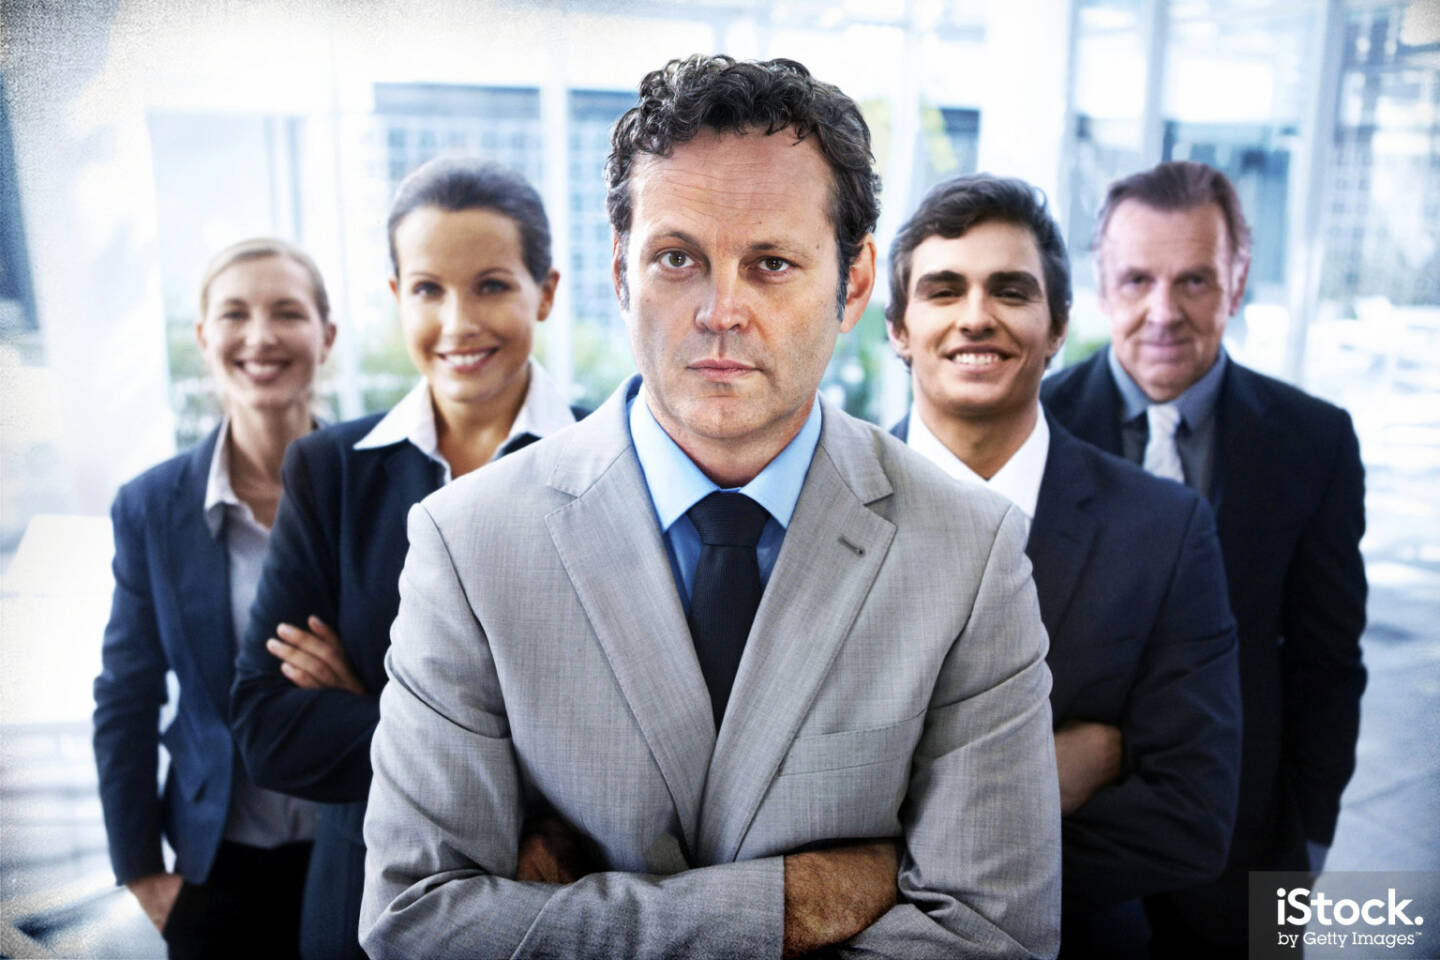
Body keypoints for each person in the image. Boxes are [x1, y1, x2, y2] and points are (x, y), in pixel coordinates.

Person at [360, 55, 1061, 960]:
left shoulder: (970, 553)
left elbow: (991, 934)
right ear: (620, 272)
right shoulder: (470, 544)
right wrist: (792, 904)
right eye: (677, 258)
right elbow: (417, 923)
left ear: (852, 284)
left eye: (771, 263)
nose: (719, 311)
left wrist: (572, 920)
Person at [229, 158, 581, 960]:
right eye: (428, 289)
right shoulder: (332, 471)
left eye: (491, 284)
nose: (458, 322)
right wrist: (520, 772)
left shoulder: (614, 464)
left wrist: (375, 702)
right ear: (396, 298)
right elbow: (270, 726)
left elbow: (635, 746)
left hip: (552, 905)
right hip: (363, 909)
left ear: (547, 292)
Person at [885, 173, 1243, 957]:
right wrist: (1041, 777)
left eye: (1010, 290)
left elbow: (1190, 820)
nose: (976, 316)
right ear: (899, 329)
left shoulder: (1164, 529)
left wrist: (882, 870)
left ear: (1057, 327)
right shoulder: (815, 506)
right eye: (944, 290)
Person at [1042, 160, 1368, 957]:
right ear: (1100, 282)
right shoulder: (1031, 426)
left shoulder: (1314, 443)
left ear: (1239, 280)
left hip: (1246, 856)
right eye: (1137, 280)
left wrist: (1305, 858)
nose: (1163, 312)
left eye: (1194, 281)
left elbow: (1327, 669)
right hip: (1064, 850)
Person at [94, 238, 335, 958]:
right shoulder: (152, 508)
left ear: (326, 335)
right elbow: (126, 696)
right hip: (217, 867)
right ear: (204, 338)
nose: (260, 337)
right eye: (235, 314)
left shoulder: (379, 485)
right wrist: (141, 871)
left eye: (287, 313)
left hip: (364, 851)